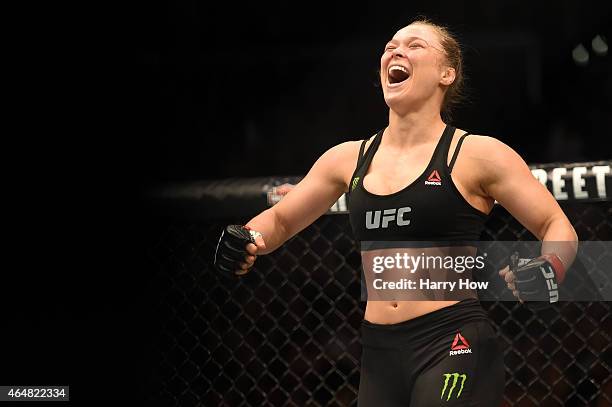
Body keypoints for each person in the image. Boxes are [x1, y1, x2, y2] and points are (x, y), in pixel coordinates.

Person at [214, 18, 578, 406]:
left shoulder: (476, 154)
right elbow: (281, 220)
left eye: (415, 44)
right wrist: (249, 238)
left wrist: (549, 267)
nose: (396, 50)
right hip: (379, 351)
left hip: (451, 340)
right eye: (390, 44)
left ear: (446, 73)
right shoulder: (347, 158)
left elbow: (555, 224)